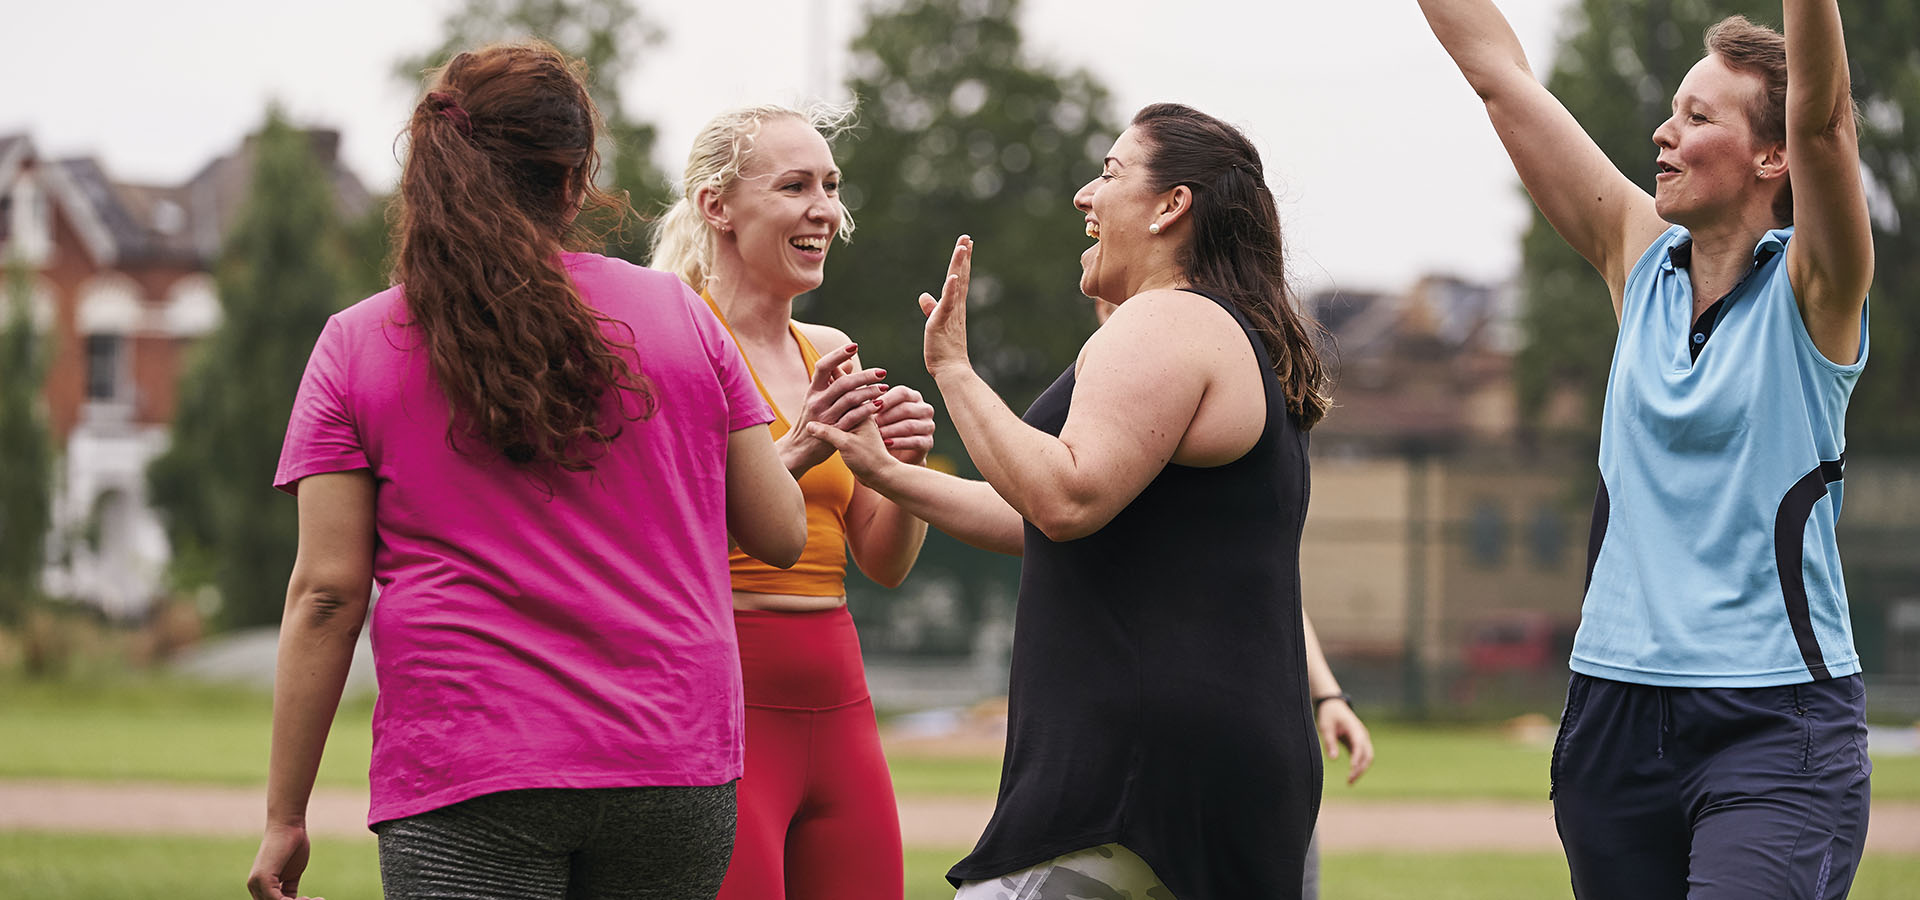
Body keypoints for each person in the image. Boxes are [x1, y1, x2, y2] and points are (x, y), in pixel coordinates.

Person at [246, 42, 806, 900]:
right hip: (670, 761)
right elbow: (778, 531)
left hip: (470, 764)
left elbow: (327, 595)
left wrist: (286, 815)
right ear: (575, 180)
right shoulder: (680, 316)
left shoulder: (356, 344)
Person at [811, 102, 1330, 899]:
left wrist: (953, 369)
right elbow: (1036, 517)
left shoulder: (1167, 319)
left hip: (1133, 779)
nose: (1086, 195)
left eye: (1112, 172)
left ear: (1171, 207)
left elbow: (1065, 498)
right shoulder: (1232, 332)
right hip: (1226, 767)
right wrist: (883, 473)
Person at [1421, 2, 1874, 896]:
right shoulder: (1639, 258)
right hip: (1613, 715)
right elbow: (1497, 75)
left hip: (1774, 722)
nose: (1664, 132)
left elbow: (1826, 122)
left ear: (1770, 158)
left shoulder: (1818, 290)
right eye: (1675, 110)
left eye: (1700, 118)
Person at [650, 104, 937, 900]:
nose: (824, 209)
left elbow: (880, 562)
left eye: (832, 186)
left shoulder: (830, 350)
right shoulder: (671, 340)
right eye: (795, 185)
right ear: (718, 207)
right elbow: (654, 535)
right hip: (723, 706)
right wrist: (802, 443)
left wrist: (901, 470)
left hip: (841, 703)